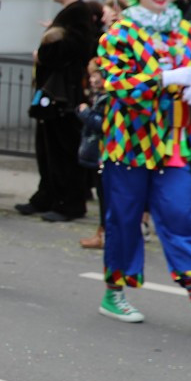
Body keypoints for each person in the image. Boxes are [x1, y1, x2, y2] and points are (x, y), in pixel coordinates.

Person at [95, 0, 191, 329]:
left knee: (180, 215)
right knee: (123, 220)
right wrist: (164, 80)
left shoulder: (189, 32)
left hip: (174, 144)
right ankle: (114, 293)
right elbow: (117, 84)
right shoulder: (120, 33)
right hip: (130, 145)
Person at [16, 0, 95, 222]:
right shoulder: (70, 13)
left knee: (64, 149)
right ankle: (47, 196)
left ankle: (70, 202)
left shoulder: (78, 13)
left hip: (66, 96)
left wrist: (44, 53)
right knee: (47, 147)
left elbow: (78, 48)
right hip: (54, 94)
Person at [77, 58, 108, 249]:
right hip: (98, 154)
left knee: (105, 196)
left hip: (102, 154)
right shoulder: (101, 97)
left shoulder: (107, 100)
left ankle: (104, 234)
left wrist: (85, 113)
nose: (91, 79)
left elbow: (103, 125)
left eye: (94, 75)